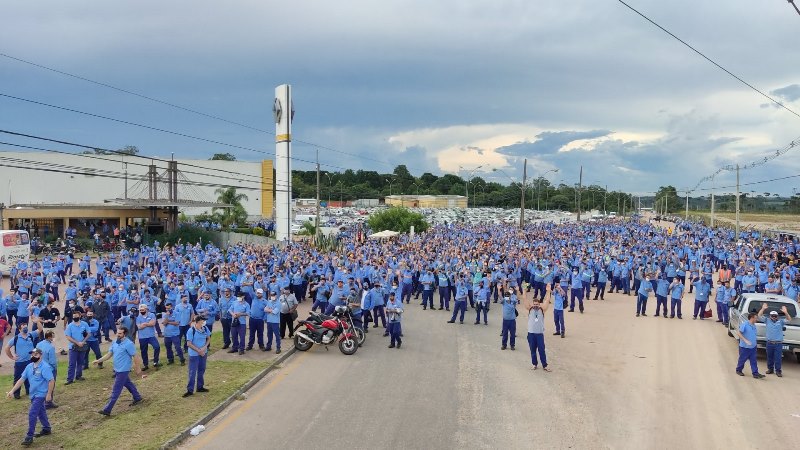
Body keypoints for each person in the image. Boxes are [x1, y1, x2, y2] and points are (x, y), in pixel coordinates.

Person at [5, 348, 55, 446]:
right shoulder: (29, 367)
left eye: (35, 355)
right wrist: (12, 391)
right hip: (33, 394)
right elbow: (21, 379)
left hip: (40, 395)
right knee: (41, 412)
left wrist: (49, 394)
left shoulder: (45, 367)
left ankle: (29, 436)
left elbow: (51, 380)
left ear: (41, 355)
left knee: (32, 413)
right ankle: (46, 428)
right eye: (32, 355)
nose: (33, 356)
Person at [94, 327, 145, 416]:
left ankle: (107, 409)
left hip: (123, 370)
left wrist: (138, 368)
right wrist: (99, 360)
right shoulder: (115, 342)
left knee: (116, 390)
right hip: (117, 369)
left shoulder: (128, 344)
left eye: (120, 333)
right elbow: (109, 354)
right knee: (128, 384)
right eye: (117, 333)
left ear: (124, 334)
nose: (118, 335)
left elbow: (135, 356)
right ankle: (137, 397)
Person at [760, 304, 795, 377]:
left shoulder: (781, 321)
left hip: (778, 344)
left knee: (778, 358)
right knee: (769, 357)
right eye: (772, 316)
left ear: (777, 316)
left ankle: (778, 371)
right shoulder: (767, 321)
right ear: (770, 316)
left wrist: (786, 312)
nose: (773, 317)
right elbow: (759, 316)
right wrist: (763, 309)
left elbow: (789, 319)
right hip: (769, 343)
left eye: (775, 316)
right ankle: (770, 369)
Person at [6, 323, 39, 399]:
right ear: (20, 329)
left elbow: (40, 329)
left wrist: (37, 321)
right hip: (19, 363)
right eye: (24, 328)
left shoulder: (30, 335)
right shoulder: (16, 338)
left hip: (30, 361)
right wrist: (12, 357)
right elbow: (7, 348)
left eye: (26, 327)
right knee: (18, 378)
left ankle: (29, 390)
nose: (26, 329)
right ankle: (16, 394)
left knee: (30, 376)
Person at [183, 316, 210, 397]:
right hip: (194, 355)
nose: (204, 322)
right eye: (203, 320)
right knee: (192, 372)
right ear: (198, 321)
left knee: (201, 370)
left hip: (203, 353)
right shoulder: (191, 330)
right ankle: (190, 390)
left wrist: (204, 347)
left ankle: (200, 387)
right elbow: (189, 343)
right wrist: (199, 350)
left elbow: (208, 338)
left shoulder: (205, 328)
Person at [735, 312, 765, 379]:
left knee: (753, 360)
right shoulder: (745, 324)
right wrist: (745, 340)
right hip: (744, 347)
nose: (756, 320)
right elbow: (739, 333)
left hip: (753, 347)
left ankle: (755, 373)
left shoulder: (754, 325)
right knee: (742, 359)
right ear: (752, 318)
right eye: (755, 318)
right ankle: (738, 370)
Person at [526, 293, 551, 371]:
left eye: (537, 304)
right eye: (534, 304)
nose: (535, 306)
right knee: (532, 350)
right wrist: (524, 290)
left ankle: (545, 365)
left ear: (539, 304)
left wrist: (548, 291)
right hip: (531, 333)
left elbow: (547, 300)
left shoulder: (542, 310)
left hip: (539, 334)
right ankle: (534, 364)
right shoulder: (530, 309)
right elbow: (524, 299)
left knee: (541, 350)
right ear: (532, 304)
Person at [64, 310, 89, 384]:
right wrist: (77, 343)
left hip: (82, 346)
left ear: (80, 316)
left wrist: (83, 342)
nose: (75, 317)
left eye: (76, 316)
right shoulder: (70, 326)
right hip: (73, 347)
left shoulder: (84, 324)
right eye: (74, 316)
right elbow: (68, 336)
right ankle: (70, 379)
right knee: (72, 363)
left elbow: (89, 333)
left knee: (80, 362)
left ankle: (79, 376)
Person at [35, 330, 58, 409]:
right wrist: (55, 368)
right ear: (49, 337)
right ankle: (48, 402)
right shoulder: (51, 347)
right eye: (53, 336)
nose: (54, 338)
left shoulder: (39, 344)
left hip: (40, 368)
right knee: (50, 385)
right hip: (49, 369)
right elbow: (52, 361)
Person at [135, 304, 161, 371]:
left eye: (142, 310)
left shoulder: (152, 315)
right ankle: (145, 364)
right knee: (143, 351)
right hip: (142, 337)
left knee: (157, 347)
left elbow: (153, 324)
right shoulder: (138, 317)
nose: (141, 311)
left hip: (151, 336)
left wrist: (144, 324)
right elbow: (139, 327)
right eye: (140, 310)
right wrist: (148, 323)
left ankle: (155, 361)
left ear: (146, 309)